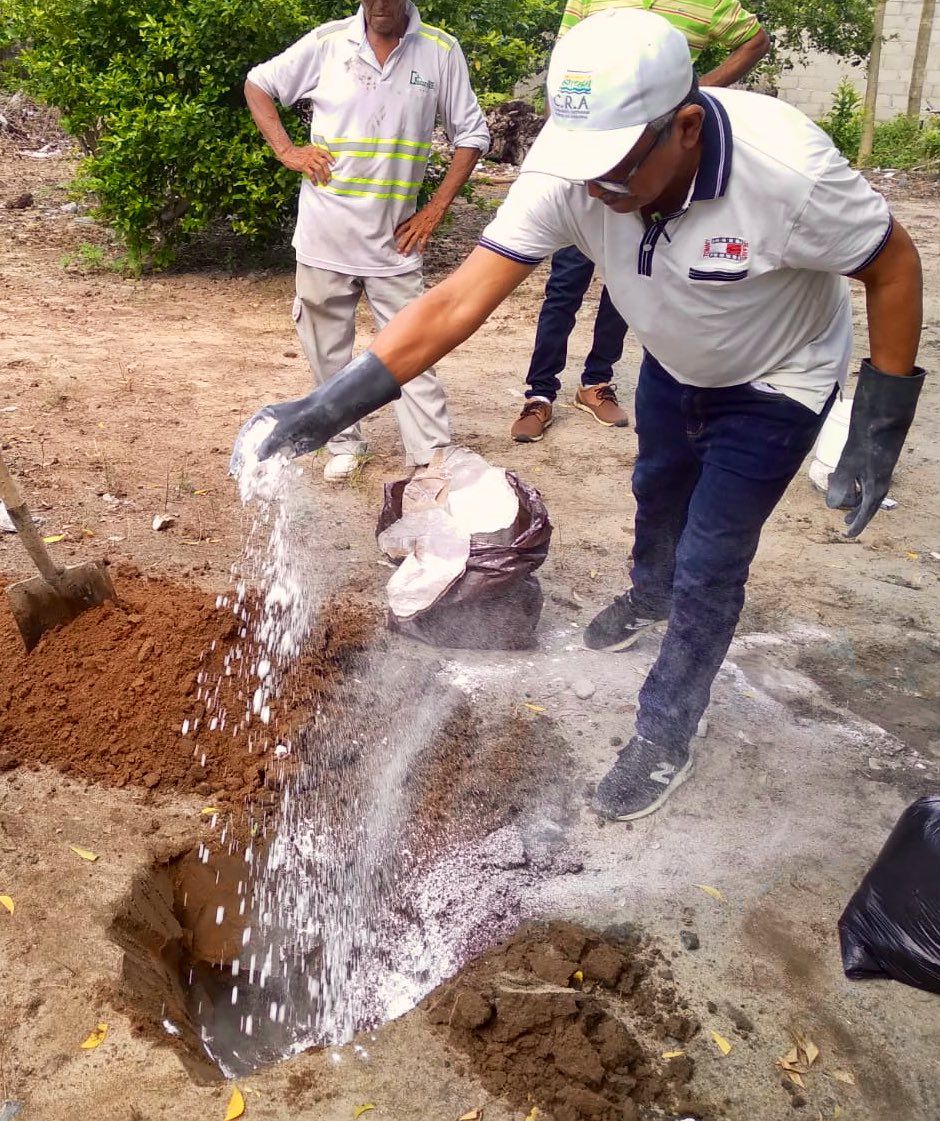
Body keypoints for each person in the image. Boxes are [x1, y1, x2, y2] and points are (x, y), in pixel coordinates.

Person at [237, 11, 924, 822]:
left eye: (616, 172)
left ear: (688, 128)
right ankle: (645, 593)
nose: (596, 191)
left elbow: (893, 264)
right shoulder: (575, 171)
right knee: (657, 486)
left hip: (779, 377)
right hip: (673, 358)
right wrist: (328, 404)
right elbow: (457, 301)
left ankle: (666, 729)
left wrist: (880, 423)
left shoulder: (790, 172)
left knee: (712, 558)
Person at [244, 0, 489, 481]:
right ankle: (344, 443)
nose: (380, 5)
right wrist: (288, 151)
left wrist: (435, 210)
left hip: (394, 242)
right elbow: (259, 83)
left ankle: (432, 455)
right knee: (326, 346)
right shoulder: (328, 42)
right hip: (325, 232)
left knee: (415, 345)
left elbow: (472, 134)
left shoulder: (440, 50)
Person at [511, 0, 770, 443]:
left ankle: (595, 383)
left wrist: (694, 97)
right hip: (592, 160)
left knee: (625, 284)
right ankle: (540, 393)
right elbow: (568, 66)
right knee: (564, 285)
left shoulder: (708, 3)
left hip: (651, 169)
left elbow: (755, 42)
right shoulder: (588, 2)